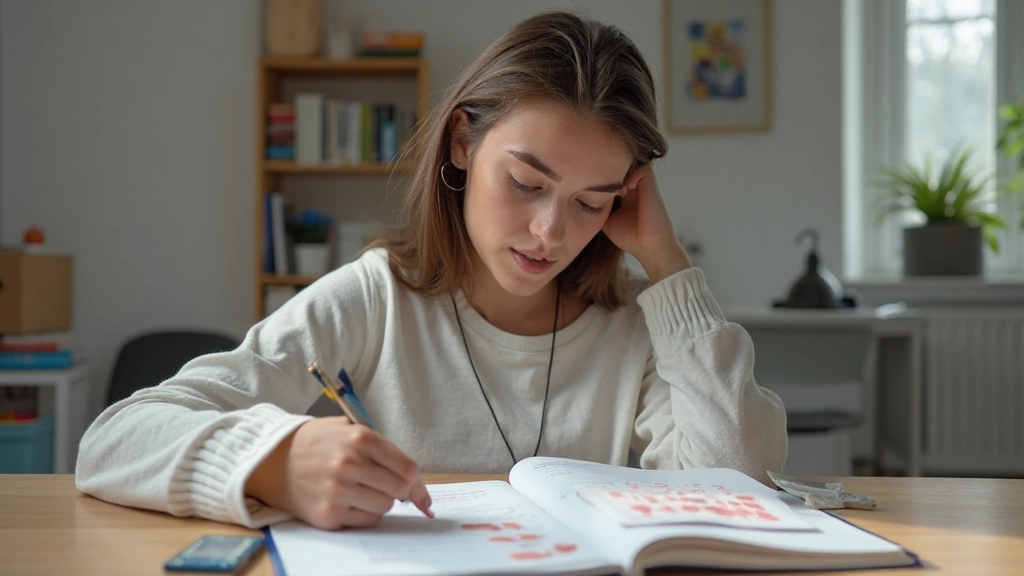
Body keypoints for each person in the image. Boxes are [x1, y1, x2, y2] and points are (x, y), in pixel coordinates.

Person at [76, 10, 787, 532]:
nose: (551, 232)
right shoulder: (372, 299)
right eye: (527, 183)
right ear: (461, 144)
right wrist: (274, 461)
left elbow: (741, 483)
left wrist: (666, 262)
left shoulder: (637, 329)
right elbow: (115, 441)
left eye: (592, 202)